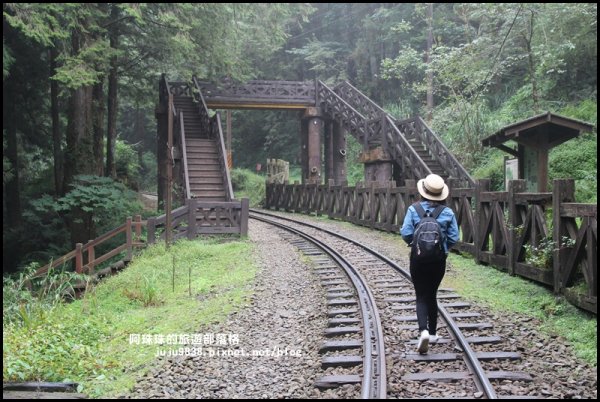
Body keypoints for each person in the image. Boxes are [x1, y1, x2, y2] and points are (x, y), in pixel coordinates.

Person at [400, 174, 459, 354]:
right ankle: (432, 333)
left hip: (417, 259)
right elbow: (454, 237)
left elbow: (406, 233)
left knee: (420, 295)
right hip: (438, 260)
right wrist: (443, 248)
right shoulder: (447, 213)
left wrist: (415, 244)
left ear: (423, 191)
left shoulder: (413, 209)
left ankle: (423, 331)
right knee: (432, 293)